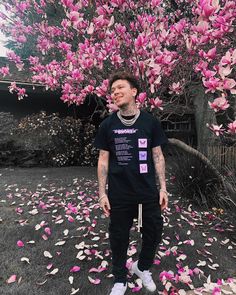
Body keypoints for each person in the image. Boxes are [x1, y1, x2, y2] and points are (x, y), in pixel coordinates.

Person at [94, 71, 168, 295]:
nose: (115, 92)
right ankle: (119, 278)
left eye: (120, 88)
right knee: (119, 236)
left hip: (147, 192)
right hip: (119, 193)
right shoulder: (107, 125)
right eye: (112, 90)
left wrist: (163, 187)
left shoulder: (150, 122)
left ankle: (141, 267)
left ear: (134, 92)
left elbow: (158, 155)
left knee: (153, 231)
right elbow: (103, 160)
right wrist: (102, 193)